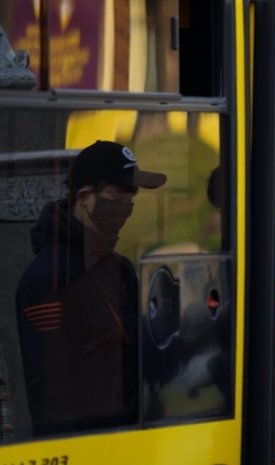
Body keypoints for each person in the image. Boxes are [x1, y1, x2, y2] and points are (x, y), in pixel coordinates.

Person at [16, 140, 167, 436]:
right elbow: (53, 395)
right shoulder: (47, 277)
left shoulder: (120, 269)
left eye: (132, 198)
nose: (127, 208)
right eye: (119, 196)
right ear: (84, 197)